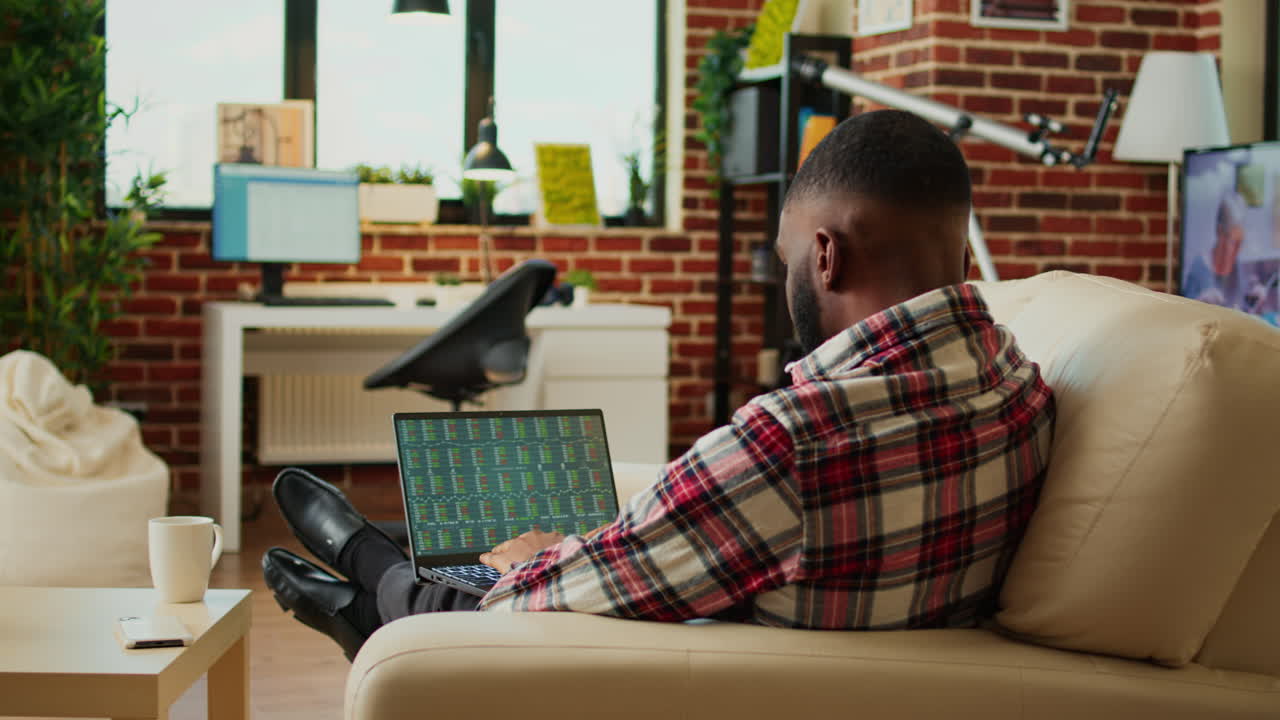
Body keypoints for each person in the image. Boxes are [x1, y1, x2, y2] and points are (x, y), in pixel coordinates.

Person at [262, 109, 1056, 661]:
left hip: (699, 649)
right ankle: (374, 573)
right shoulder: (1015, 377)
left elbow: (537, 600)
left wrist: (543, 557)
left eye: (784, 261)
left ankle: (370, 578)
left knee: (470, 589)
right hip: (844, 609)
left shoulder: (792, 439)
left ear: (825, 257)